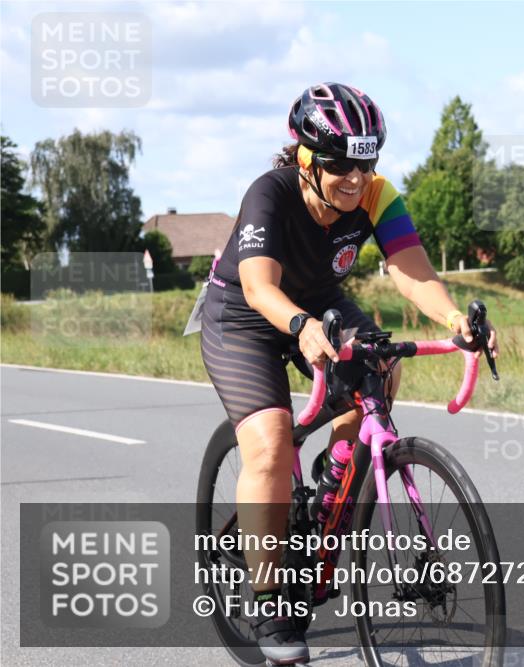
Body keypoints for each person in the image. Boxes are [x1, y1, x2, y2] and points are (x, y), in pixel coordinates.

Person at [200, 82, 498, 664]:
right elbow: (261, 286)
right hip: (245, 312)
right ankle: (269, 599)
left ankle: (331, 487)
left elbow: (411, 269)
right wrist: (300, 326)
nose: (355, 178)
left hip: (320, 301)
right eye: (339, 164)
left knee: (380, 371)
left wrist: (455, 317)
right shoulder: (271, 193)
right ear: (305, 157)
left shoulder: (375, 195)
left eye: (366, 162)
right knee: (268, 443)